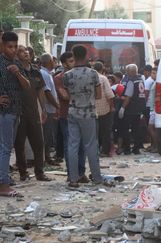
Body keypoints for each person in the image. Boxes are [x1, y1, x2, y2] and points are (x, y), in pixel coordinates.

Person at [63, 45, 104, 188]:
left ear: (73, 55)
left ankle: (73, 179)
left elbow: (67, 94)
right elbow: (99, 95)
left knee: (72, 145)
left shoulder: (67, 75)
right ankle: (97, 178)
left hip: (73, 112)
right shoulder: (93, 74)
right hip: (89, 112)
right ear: (86, 55)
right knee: (91, 145)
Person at [14, 45, 52, 182]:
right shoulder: (15, 70)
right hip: (18, 112)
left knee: (38, 143)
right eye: (22, 51)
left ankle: (39, 172)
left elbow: (40, 91)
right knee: (19, 144)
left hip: (33, 112)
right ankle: (23, 173)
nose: (26, 53)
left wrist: (43, 109)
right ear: (17, 55)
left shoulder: (36, 71)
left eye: (27, 51)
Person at [0, 31, 30, 197]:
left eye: (15, 46)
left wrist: (17, 73)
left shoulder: (17, 63)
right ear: (3, 46)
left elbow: (27, 86)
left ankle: (4, 178)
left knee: (5, 147)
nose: (12, 50)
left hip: (16, 111)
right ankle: (3, 185)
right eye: (9, 47)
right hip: (4, 112)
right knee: (5, 148)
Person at [54, 52, 88, 183]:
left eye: (75, 60)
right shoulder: (59, 78)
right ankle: (72, 173)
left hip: (82, 114)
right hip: (67, 115)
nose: (75, 63)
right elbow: (65, 97)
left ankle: (81, 172)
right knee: (71, 145)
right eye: (71, 61)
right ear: (64, 64)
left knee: (82, 146)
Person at [118, 64, 146, 155]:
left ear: (130, 72)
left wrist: (123, 107)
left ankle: (127, 149)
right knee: (136, 129)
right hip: (139, 108)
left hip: (130, 108)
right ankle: (136, 149)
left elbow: (128, 96)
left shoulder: (130, 81)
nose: (126, 73)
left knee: (125, 129)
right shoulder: (140, 79)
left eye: (127, 71)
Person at [40, 53, 60, 164]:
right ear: (49, 61)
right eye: (53, 60)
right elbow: (47, 92)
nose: (55, 63)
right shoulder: (44, 74)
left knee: (48, 134)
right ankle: (45, 158)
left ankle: (46, 157)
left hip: (50, 108)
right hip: (47, 109)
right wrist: (57, 106)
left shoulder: (48, 74)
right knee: (46, 134)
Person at [94, 62, 115, 157]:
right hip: (104, 110)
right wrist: (112, 107)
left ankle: (95, 150)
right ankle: (105, 151)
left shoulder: (89, 77)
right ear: (102, 69)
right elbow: (109, 95)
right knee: (106, 131)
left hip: (92, 110)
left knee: (94, 132)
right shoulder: (103, 78)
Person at [147, 67, 158, 153]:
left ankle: (157, 145)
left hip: (155, 108)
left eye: (154, 73)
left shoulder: (157, 83)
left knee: (150, 128)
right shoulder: (154, 82)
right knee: (152, 127)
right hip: (152, 108)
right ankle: (154, 145)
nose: (152, 75)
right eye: (152, 73)